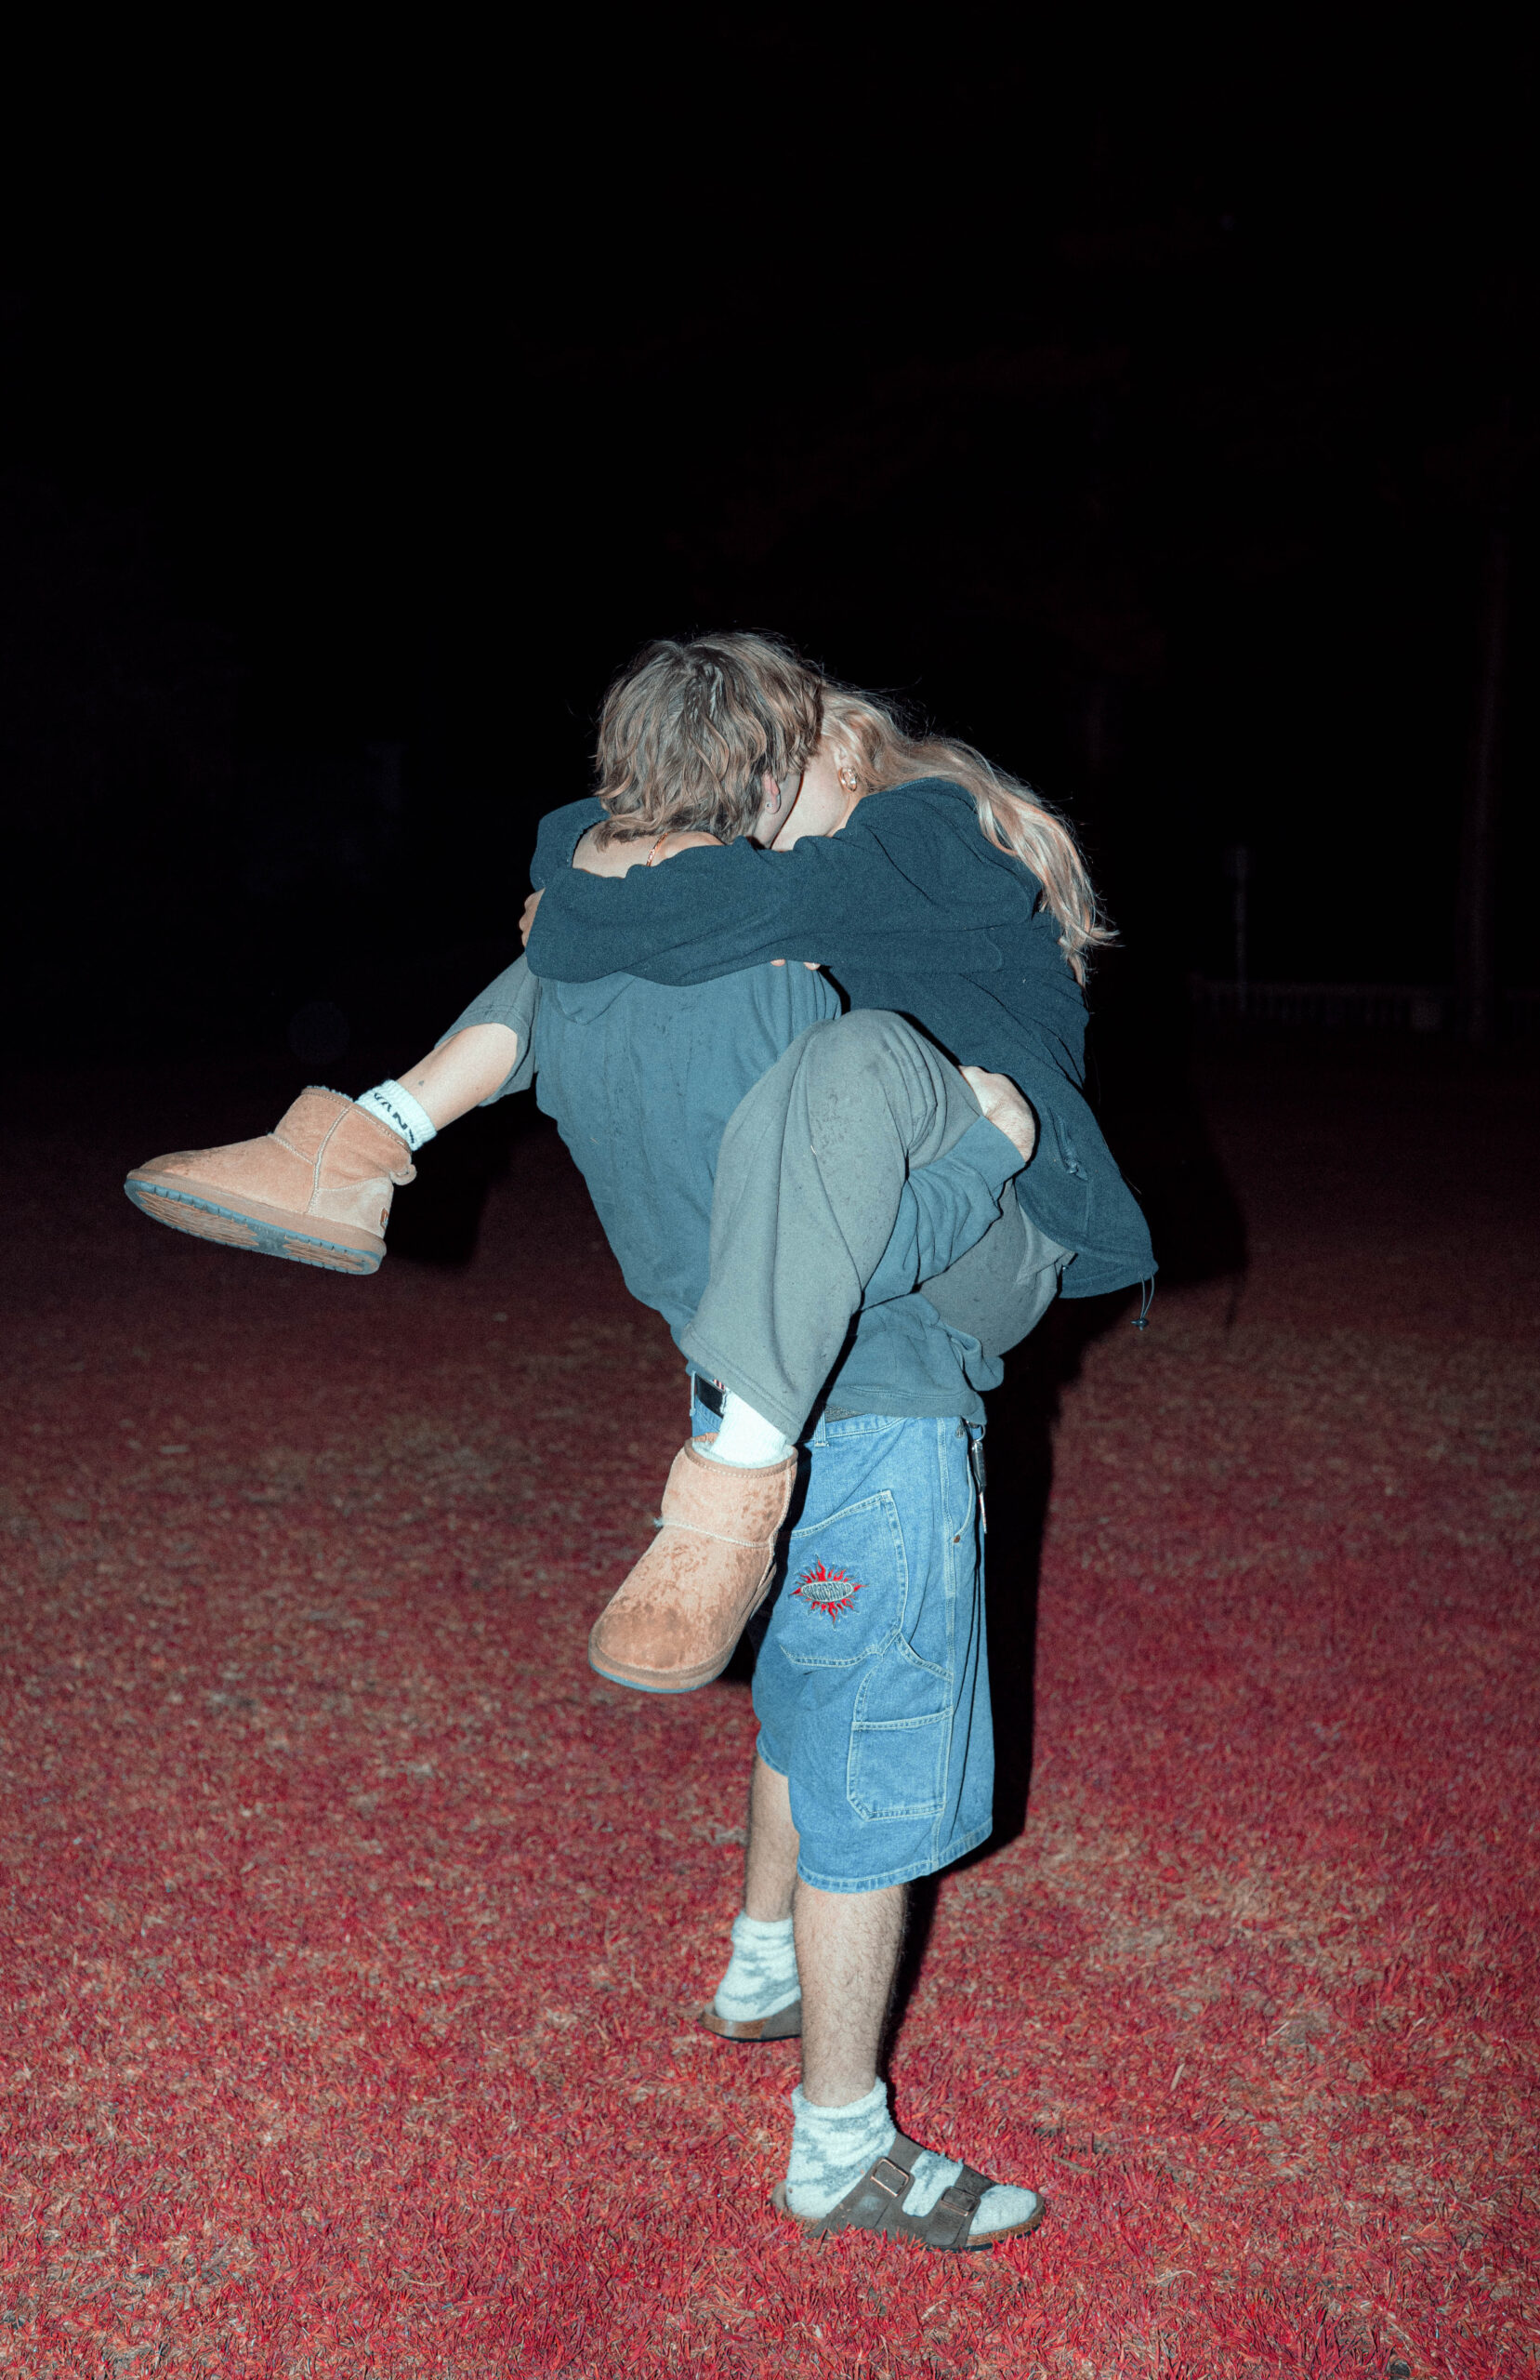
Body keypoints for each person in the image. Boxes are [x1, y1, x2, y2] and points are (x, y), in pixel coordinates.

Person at [125, 631, 1155, 2251]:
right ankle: (363, 1148)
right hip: (791, 1337)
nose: (751, 821)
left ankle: (840, 2139)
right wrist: (595, 884)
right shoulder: (782, 892)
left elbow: (626, 880)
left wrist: (590, 880)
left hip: (975, 1246)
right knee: (821, 1693)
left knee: (864, 1754)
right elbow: (612, 874)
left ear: (840, 756)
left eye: (781, 781)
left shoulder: (915, 841)